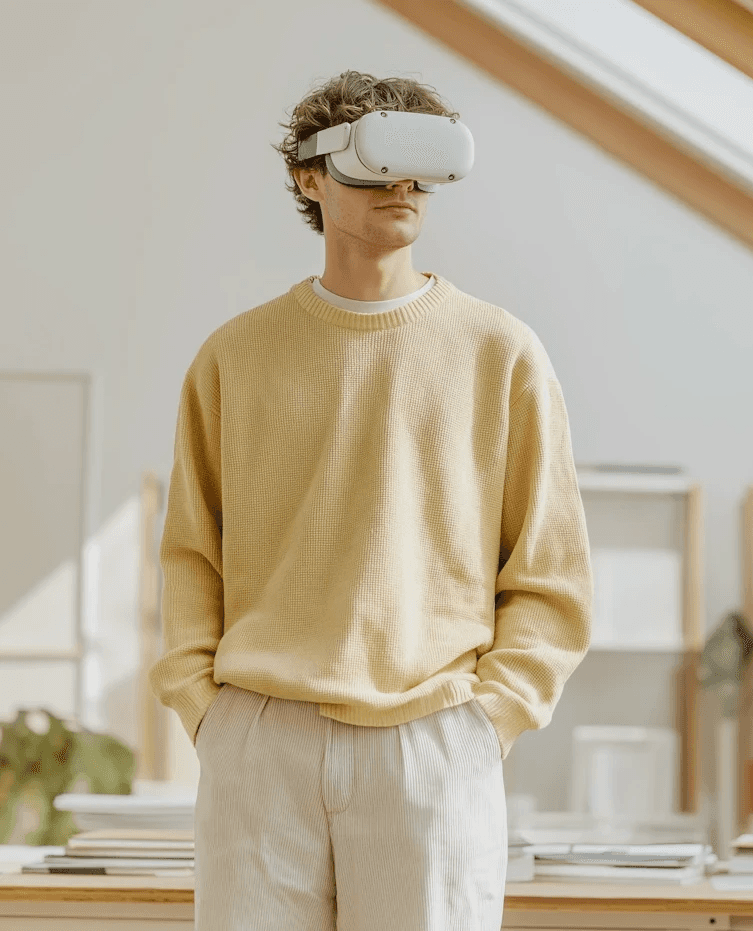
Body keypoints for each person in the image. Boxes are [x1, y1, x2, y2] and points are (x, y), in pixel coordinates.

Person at [149, 70, 593, 931]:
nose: (402, 187)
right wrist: (208, 715)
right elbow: (189, 553)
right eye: (376, 163)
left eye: (419, 168)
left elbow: (551, 570)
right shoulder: (233, 356)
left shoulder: (501, 352)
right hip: (257, 738)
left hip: (433, 738)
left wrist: (486, 723)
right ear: (309, 178)